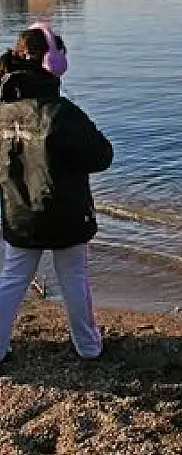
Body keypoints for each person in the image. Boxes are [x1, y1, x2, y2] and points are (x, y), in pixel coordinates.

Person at [0, 22, 113, 363]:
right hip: (66, 213)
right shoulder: (61, 113)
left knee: (12, 279)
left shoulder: (2, 112)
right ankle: (88, 346)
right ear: (52, 62)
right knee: (74, 277)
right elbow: (101, 156)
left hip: (18, 213)